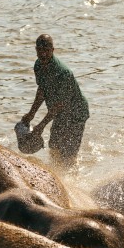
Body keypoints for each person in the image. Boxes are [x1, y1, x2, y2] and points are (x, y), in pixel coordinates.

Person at [21, 34, 89, 168]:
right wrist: (31, 113)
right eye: (40, 50)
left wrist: (41, 125)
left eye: (47, 50)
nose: (43, 54)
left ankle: (73, 179)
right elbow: (42, 90)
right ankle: (58, 173)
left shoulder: (63, 73)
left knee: (69, 153)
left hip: (76, 112)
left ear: (53, 50)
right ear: (36, 50)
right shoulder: (38, 65)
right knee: (54, 146)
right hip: (60, 112)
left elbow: (60, 104)